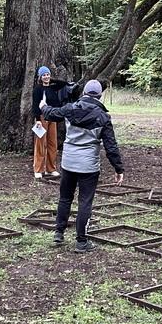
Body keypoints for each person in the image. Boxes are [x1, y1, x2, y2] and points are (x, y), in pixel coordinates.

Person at [40, 80, 124, 253]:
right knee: (85, 202)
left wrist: (43, 107)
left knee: (65, 198)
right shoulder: (103, 117)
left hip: (69, 163)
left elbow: (52, 113)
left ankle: (59, 232)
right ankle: (81, 241)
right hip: (89, 166)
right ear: (100, 96)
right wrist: (118, 169)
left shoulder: (70, 108)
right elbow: (111, 146)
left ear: (84, 93)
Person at [31, 65, 66, 178]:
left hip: (52, 117)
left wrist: (52, 79)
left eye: (47, 75)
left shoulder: (52, 88)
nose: (46, 77)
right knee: (41, 144)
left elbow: (63, 83)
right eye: (44, 75)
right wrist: (37, 120)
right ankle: (38, 169)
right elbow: (35, 105)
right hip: (41, 118)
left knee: (52, 143)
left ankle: (50, 168)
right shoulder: (37, 89)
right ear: (40, 77)